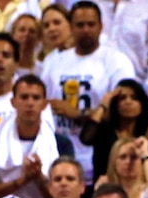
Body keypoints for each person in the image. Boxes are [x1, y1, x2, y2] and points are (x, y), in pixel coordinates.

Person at [40, 2, 136, 179]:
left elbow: (125, 114)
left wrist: (78, 113)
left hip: (100, 154)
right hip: (59, 154)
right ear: (71, 27)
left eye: (91, 24)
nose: (85, 30)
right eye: (80, 25)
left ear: (101, 26)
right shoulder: (53, 63)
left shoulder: (117, 62)